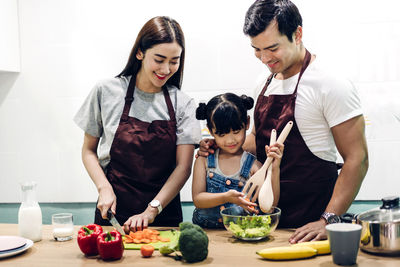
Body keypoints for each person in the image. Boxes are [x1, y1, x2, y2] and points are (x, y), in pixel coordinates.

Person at [198, 0, 368, 243]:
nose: (264, 58)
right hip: (265, 221)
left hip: (312, 222)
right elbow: (257, 139)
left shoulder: (331, 83)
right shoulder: (263, 83)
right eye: (256, 49)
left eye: (272, 48)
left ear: (297, 34)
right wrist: (219, 146)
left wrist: (328, 219)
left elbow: (358, 159)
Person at [74, 16, 201, 232]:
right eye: (159, 59)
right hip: (112, 213)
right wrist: (104, 187)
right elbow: (88, 151)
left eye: (174, 60)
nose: (166, 69)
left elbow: (183, 167)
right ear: (140, 53)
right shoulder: (106, 91)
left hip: (163, 216)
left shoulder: (183, 103)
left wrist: (152, 209)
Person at [192, 93, 284, 228]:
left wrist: (274, 168)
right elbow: (198, 199)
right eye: (221, 134)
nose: (230, 140)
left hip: (241, 235)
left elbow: (269, 206)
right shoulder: (204, 160)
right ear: (211, 131)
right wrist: (226, 197)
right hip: (206, 234)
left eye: (236, 131)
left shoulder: (254, 166)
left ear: (246, 123)